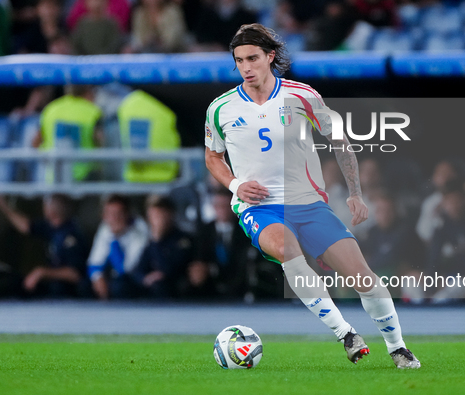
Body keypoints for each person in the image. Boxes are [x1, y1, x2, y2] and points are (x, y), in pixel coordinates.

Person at [204, 23, 420, 368]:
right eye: (239, 60)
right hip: (259, 207)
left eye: (252, 58)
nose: (246, 67)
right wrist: (235, 186)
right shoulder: (221, 108)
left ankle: (398, 348)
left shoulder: (302, 95)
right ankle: (346, 334)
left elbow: (340, 141)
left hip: (308, 204)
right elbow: (212, 156)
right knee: (289, 252)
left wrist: (355, 193)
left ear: (270, 57)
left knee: (363, 277)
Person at [0, 194, 90, 298]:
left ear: (51, 210)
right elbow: (26, 226)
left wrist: (42, 272)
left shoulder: (71, 236)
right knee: (10, 281)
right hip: (51, 285)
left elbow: (75, 274)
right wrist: (3, 205)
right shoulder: (52, 227)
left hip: (67, 291)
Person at [131, 195, 197, 299]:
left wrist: (157, 239)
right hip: (152, 286)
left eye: (159, 215)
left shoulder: (183, 240)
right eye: (153, 216)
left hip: (174, 289)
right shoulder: (149, 240)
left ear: (170, 215)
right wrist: (145, 278)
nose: (156, 220)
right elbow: (139, 268)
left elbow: (172, 268)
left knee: (161, 286)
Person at [87, 194, 149, 300]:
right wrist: (98, 278)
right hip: (113, 275)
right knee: (86, 285)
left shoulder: (140, 231)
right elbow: (94, 262)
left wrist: (114, 238)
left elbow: (126, 269)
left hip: (134, 278)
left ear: (127, 214)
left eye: (118, 214)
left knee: (120, 286)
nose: (113, 218)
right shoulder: (105, 227)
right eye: (109, 214)